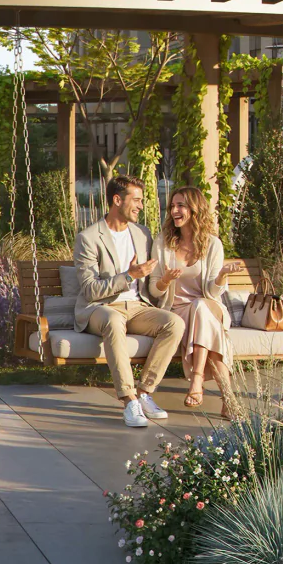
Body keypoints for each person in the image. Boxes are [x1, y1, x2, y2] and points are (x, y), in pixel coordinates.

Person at [72, 174, 184, 429]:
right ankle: (128, 398)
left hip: (136, 306)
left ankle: (145, 392)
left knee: (174, 323)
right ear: (116, 200)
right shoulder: (89, 238)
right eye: (136, 200)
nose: (141, 206)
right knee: (112, 320)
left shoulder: (142, 234)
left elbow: (151, 285)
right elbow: (89, 290)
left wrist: (163, 279)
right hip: (101, 308)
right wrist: (128, 276)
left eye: (142, 201)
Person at [150, 185, 245, 409]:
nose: (174, 210)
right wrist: (165, 280)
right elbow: (155, 291)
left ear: (195, 209)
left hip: (210, 307)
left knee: (201, 306)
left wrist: (222, 275)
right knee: (210, 330)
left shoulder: (213, 244)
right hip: (177, 311)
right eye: (172, 205)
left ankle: (196, 381)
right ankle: (228, 400)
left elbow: (212, 294)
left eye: (181, 205)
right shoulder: (162, 243)